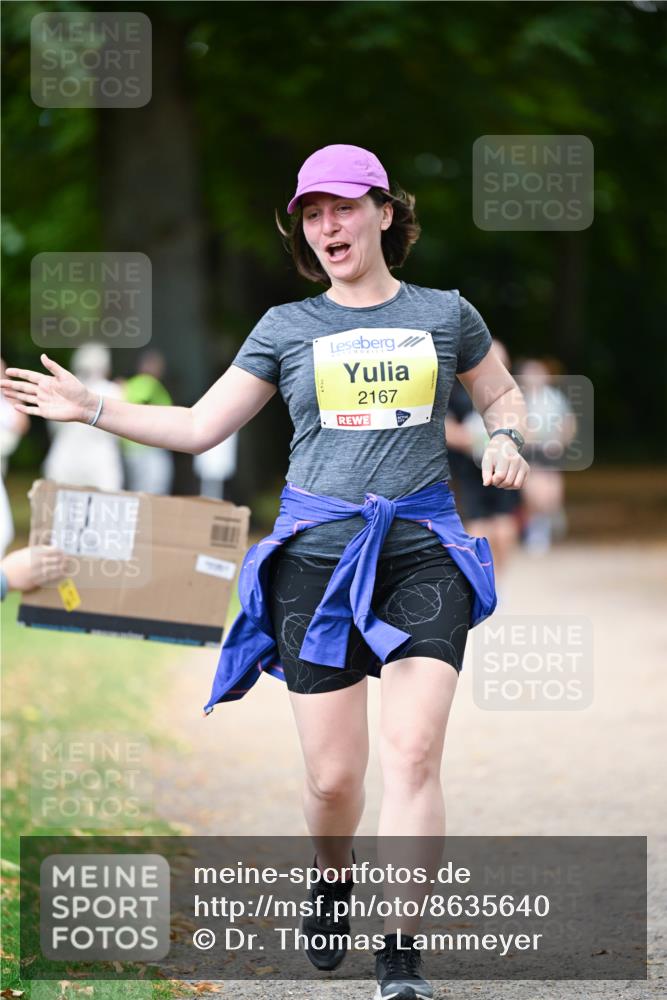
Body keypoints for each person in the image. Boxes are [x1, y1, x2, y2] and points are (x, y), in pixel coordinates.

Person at [1, 143, 530, 1000]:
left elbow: (500, 395)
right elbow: (203, 427)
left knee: (414, 751)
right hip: (313, 563)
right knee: (333, 781)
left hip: (420, 552)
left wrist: (503, 435)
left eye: (344, 208)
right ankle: (331, 875)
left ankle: (401, 957)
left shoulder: (446, 314)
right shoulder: (286, 328)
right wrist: (93, 407)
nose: (328, 226)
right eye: (312, 214)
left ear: (384, 213)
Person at [445, 339, 522, 576]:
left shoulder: (458, 390)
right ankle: (488, 577)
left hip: (498, 464)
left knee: (500, 521)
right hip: (471, 466)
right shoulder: (505, 394)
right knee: (482, 522)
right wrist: (478, 443)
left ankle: (495, 577)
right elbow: (447, 429)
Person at [41, 343, 124, 491]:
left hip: (65, 458)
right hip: (100, 461)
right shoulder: (113, 391)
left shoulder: (62, 390)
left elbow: (53, 427)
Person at [514, 358, 575, 555]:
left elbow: (567, 423)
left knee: (552, 492)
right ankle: (537, 529)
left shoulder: (555, 398)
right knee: (533, 492)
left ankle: (550, 514)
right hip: (529, 451)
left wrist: (560, 441)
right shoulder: (519, 398)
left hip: (551, 450)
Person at [120, 349, 174, 494]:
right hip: (149, 448)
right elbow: (142, 405)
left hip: (131, 449)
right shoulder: (150, 384)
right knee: (154, 492)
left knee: (136, 491)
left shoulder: (129, 385)